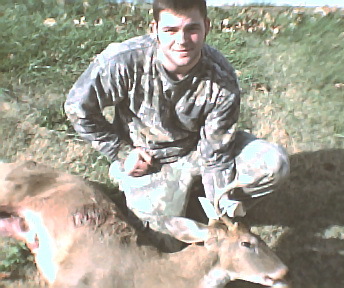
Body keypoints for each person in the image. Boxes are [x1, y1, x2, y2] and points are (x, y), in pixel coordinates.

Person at [65, 0, 289, 250]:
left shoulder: (221, 79)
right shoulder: (123, 62)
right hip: (150, 163)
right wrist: (120, 153)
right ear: (155, 28)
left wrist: (219, 214)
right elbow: (78, 108)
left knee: (273, 165)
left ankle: (203, 207)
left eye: (191, 29)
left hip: (200, 150)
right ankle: (168, 198)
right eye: (170, 30)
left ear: (206, 26)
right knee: (163, 245)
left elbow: (216, 155)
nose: (181, 41)